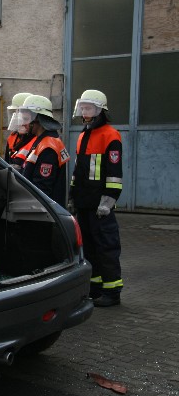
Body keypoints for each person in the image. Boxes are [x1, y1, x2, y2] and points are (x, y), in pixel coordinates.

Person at [68, 89, 123, 307]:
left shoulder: (111, 135)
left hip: (100, 205)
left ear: (100, 110)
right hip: (84, 203)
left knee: (106, 247)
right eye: (83, 108)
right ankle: (95, 288)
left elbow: (114, 174)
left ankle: (112, 291)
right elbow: (77, 171)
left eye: (88, 108)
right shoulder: (83, 135)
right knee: (89, 248)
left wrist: (108, 201)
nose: (84, 112)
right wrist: (72, 197)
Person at [18, 95, 70, 207]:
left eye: (26, 119)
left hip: (42, 210)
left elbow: (42, 189)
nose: (23, 123)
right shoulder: (45, 140)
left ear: (38, 120)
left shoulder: (48, 148)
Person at [4, 92, 36, 170]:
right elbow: (6, 163)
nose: (20, 123)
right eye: (17, 118)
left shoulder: (37, 141)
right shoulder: (12, 138)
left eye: (24, 119)